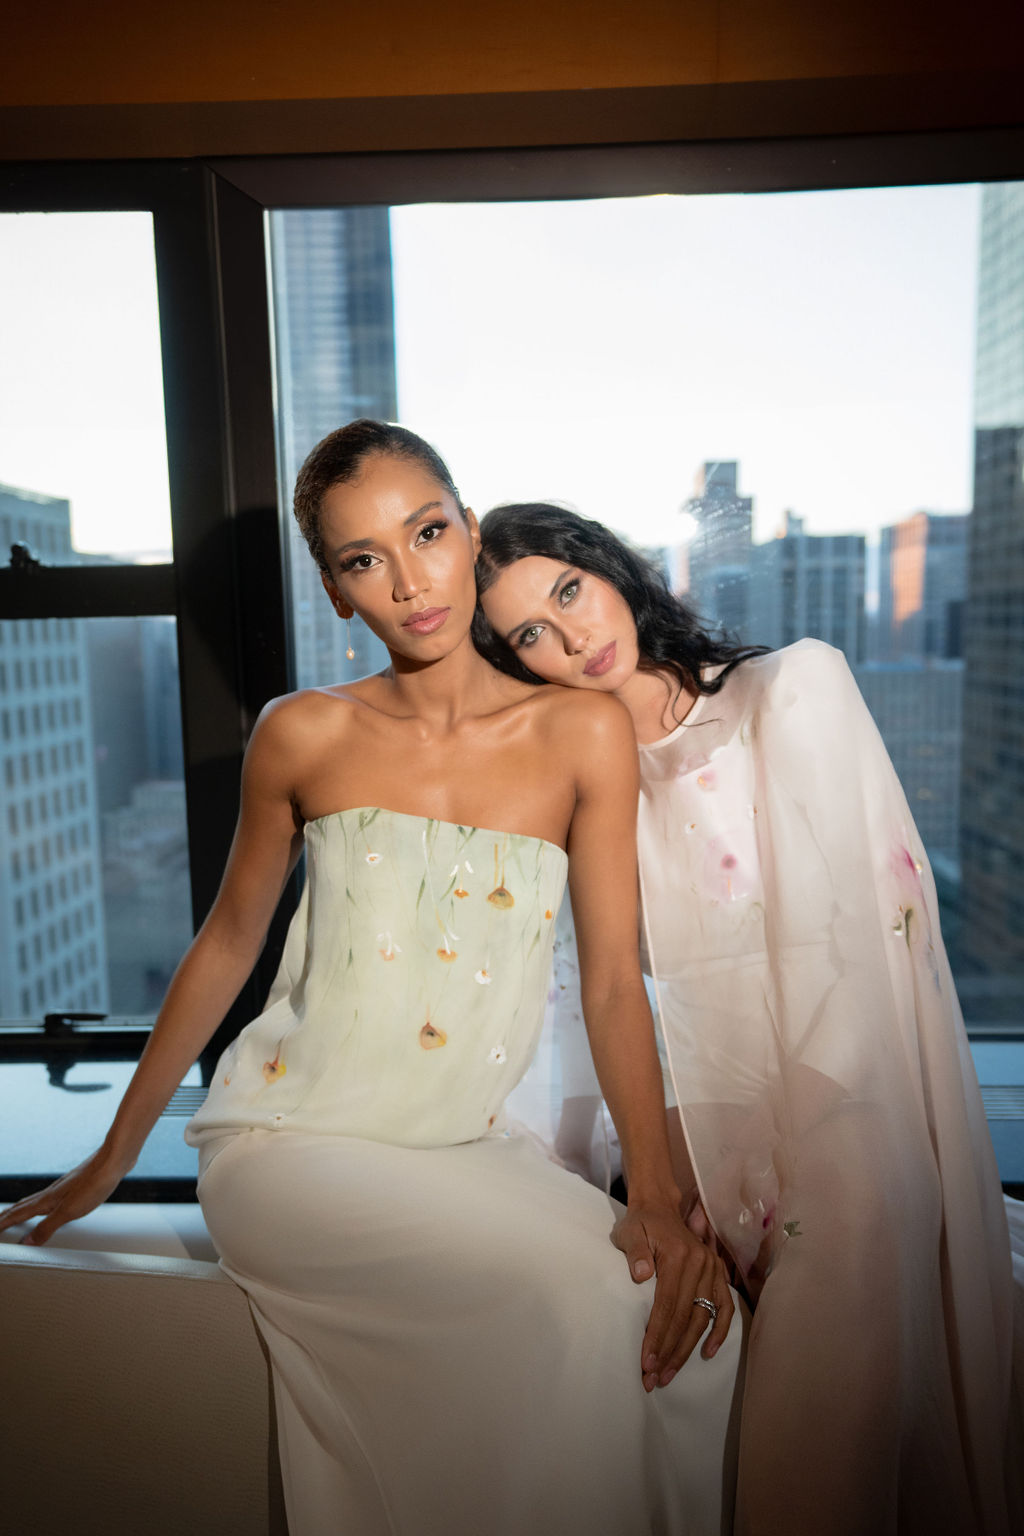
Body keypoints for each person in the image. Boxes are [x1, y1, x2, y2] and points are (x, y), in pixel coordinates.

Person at [0, 425, 744, 1536]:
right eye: (363, 560)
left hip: (460, 1145)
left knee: (694, 1326)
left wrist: (658, 1196)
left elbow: (609, 990)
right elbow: (225, 943)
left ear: (469, 532)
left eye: (427, 534)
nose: (409, 580)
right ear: (337, 594)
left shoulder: (579, 731)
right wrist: (117, 1148)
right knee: (587, 1305)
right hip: (290, 1147)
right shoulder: (301, 733)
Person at [474, 501, 1022, 1536]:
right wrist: (651, 1176)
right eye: (530, 636)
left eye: (567, 591)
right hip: (695, 1118)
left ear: (608, 569)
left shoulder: (790, 690)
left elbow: (864, 945)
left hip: (837, 1105)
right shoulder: (578, 784)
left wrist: (782, 1158)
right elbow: (594, 993)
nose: (572, 636)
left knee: (812, 1428)